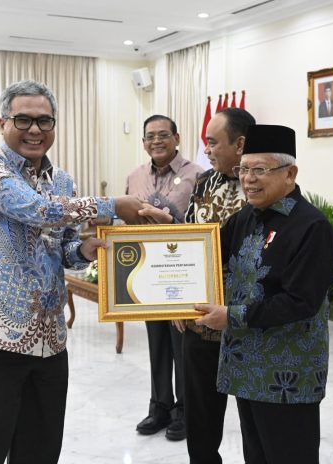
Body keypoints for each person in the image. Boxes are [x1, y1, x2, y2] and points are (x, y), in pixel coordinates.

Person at [0, 79, 145, 464]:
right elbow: (36, 210)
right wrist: (113, 204)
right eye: (24, 120)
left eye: (44, 121)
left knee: (41, 447)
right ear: (3, 123)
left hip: (49, 336)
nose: (35, 130)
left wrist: (84, 249)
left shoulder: (62, 180)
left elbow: (64, 246)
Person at [195, 124, 333, 463]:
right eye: (243, 169)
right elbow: (208, 253)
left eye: (259, 170)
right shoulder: (247, 215)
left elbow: (300, 302)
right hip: (247, 368)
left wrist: (230, 316)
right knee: (256, 456)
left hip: (287, 375)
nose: (248, 179)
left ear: (290, 173)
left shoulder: (312, 227)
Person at [138, 107, 255, 463]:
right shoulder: (206, 182)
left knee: (255, 420)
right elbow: (190, 242)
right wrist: (181, 301)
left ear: (240, 144)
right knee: (201, 420)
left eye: (213, 142)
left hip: (248, 324)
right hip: (200, 321)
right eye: (206, 143)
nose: (208, 150)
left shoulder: (262, 185)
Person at [126, 114, 203, 441]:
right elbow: (127, 223)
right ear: (143, 142)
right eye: (150, 137)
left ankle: (186, 410)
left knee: (182, 343)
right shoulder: (134, 176)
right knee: (156, 341)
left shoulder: (197, 176)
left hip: (182, 272)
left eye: (162, 135)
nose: (156, 141)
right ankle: (160, 405)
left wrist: (168, 218)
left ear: (177, 138)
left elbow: (205, 225)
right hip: (146, 273)